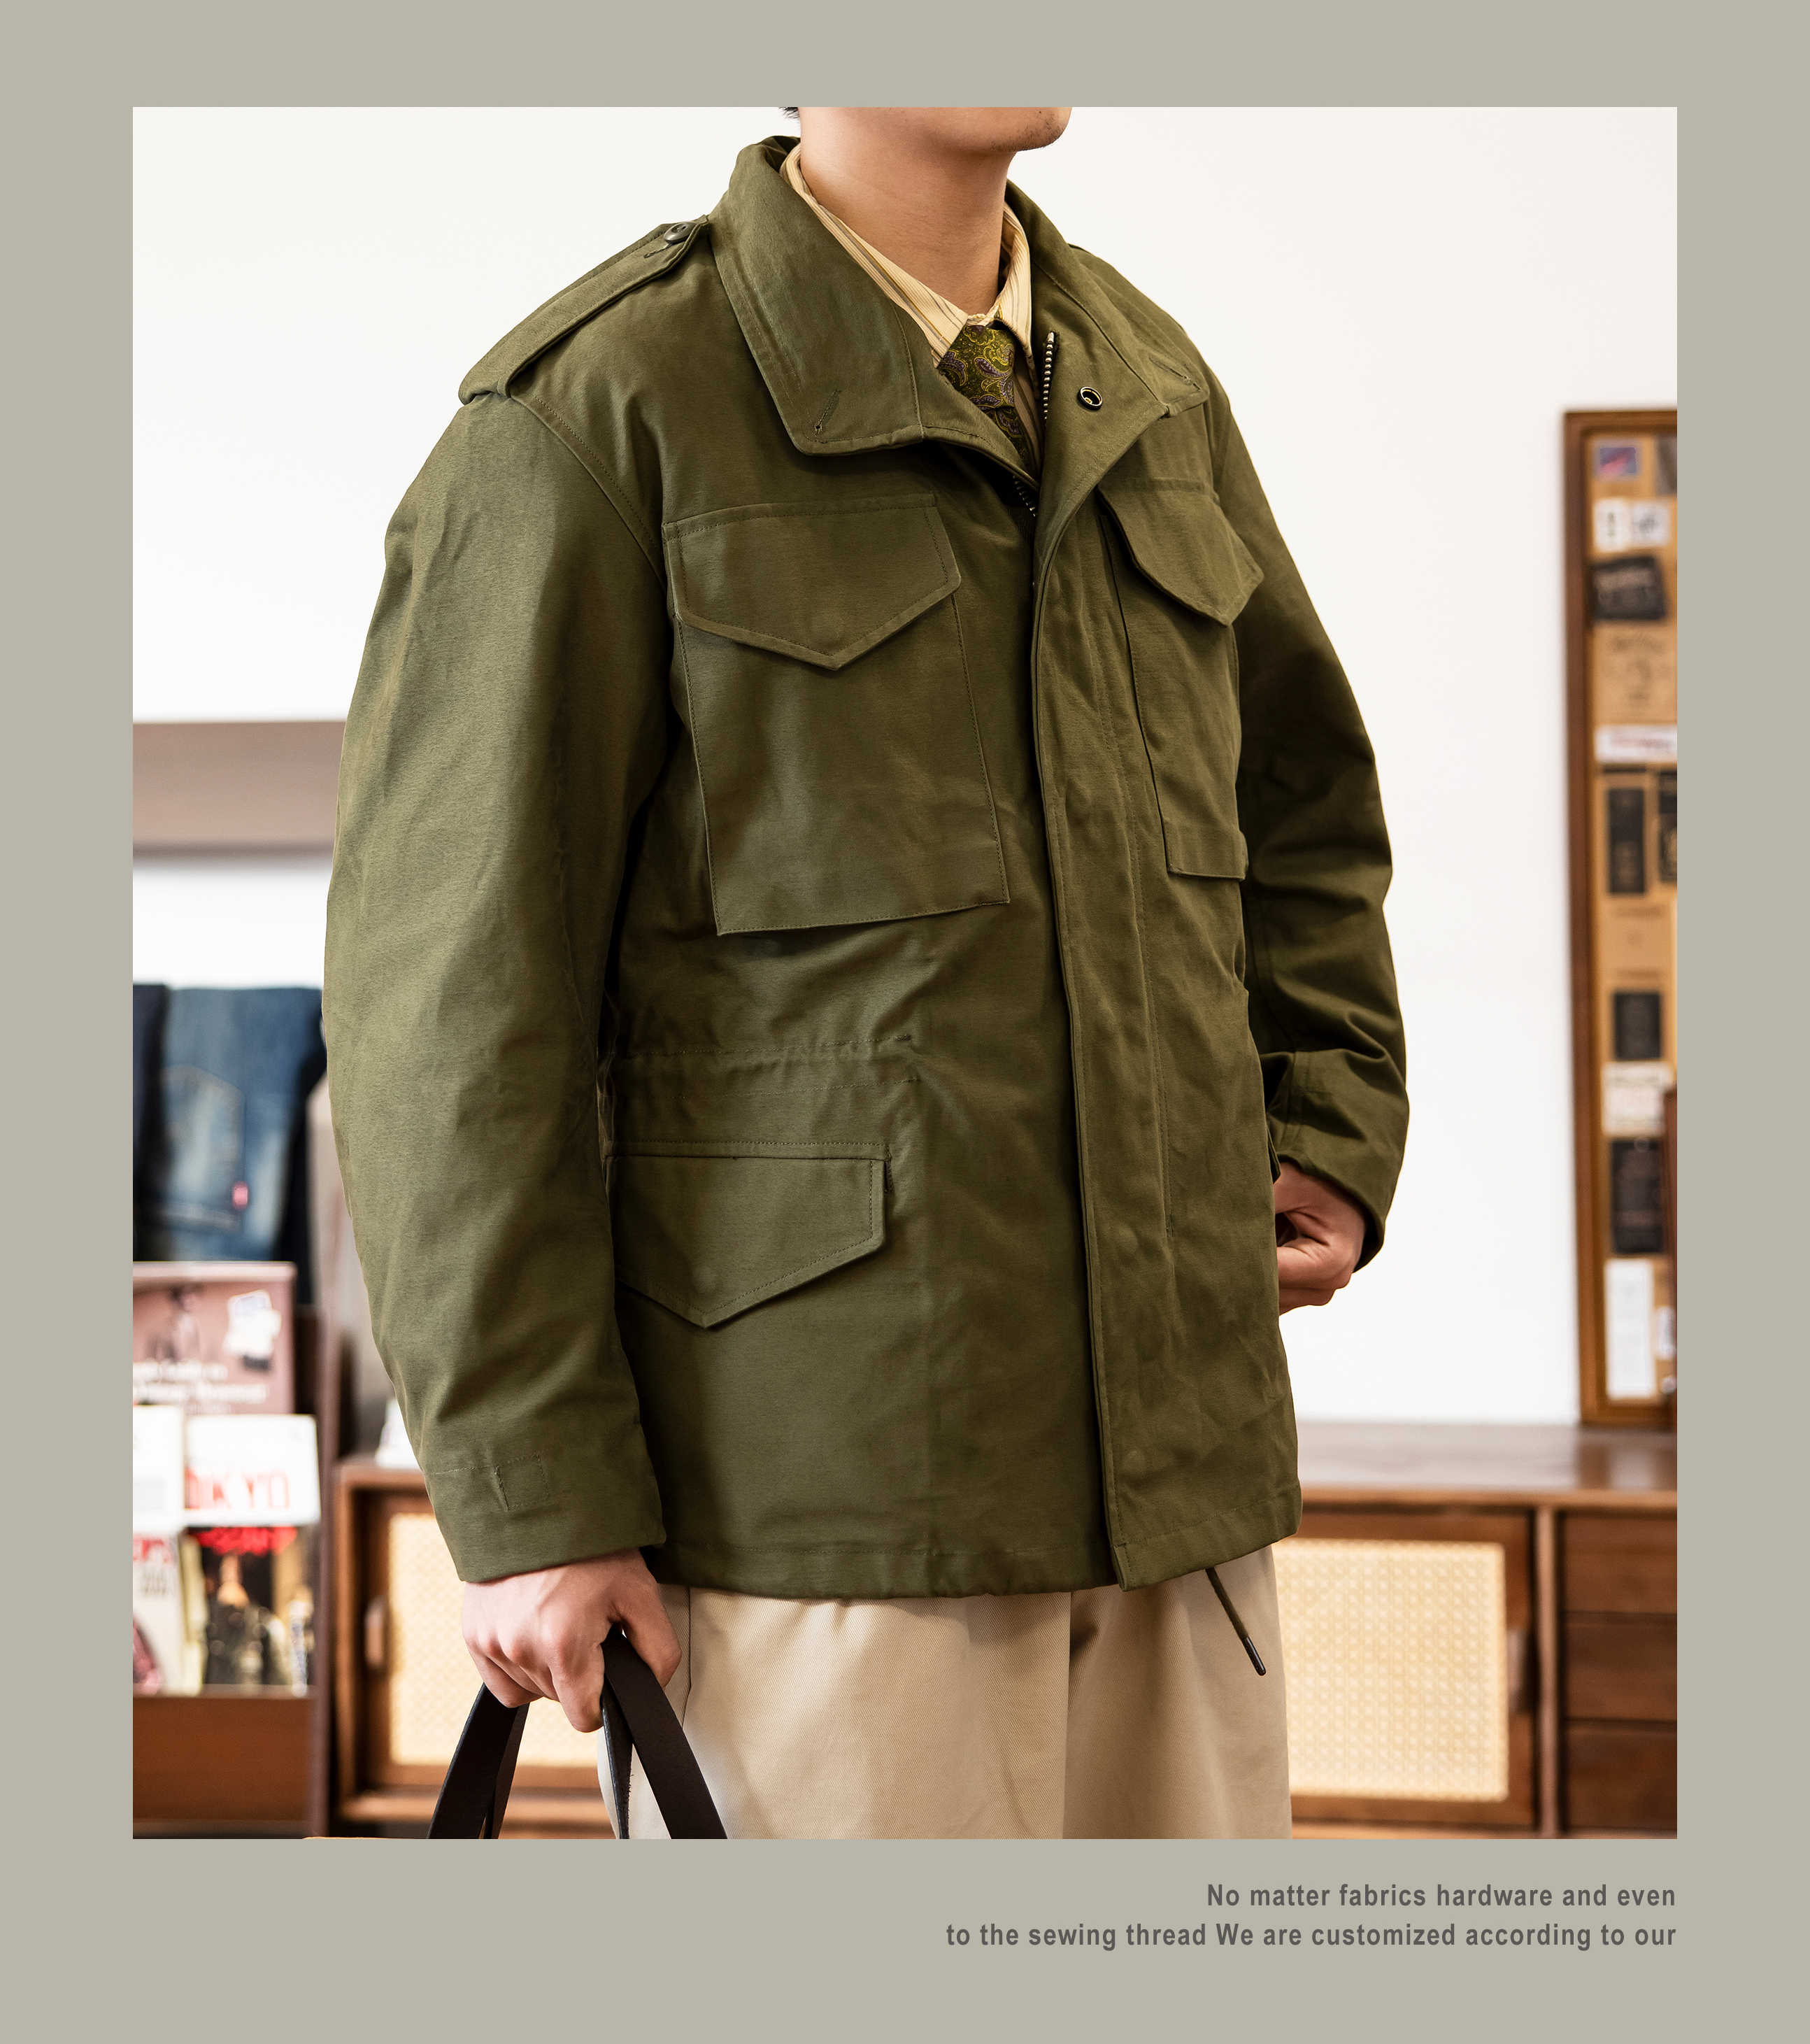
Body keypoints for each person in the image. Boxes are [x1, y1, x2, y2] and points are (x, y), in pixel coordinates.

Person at [324, 108, 1407, 1838]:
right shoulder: (600, 411)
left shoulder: (1146, 385)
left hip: (1175, 1491)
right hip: (815, 1514)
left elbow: (1301, 818)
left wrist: (1330, 1131)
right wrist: (532, 1498)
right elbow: (451, 1004)